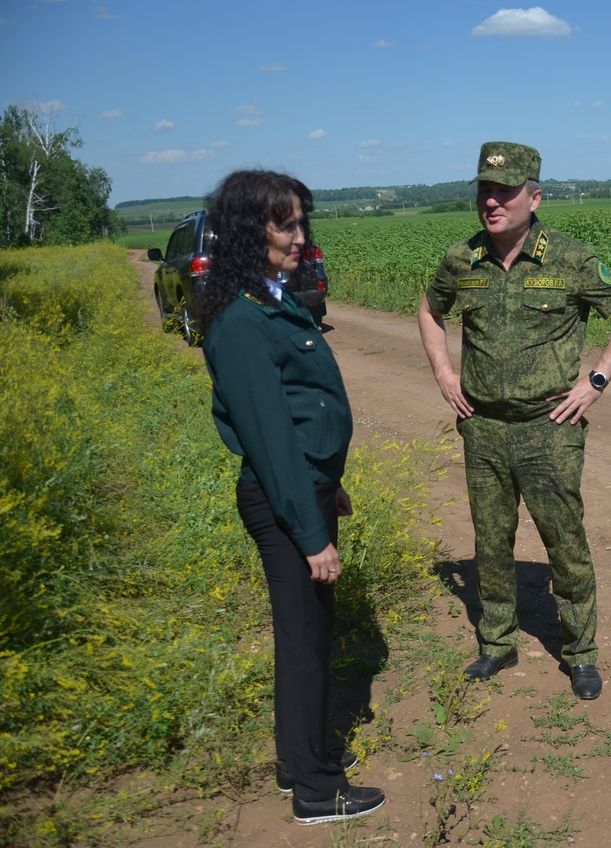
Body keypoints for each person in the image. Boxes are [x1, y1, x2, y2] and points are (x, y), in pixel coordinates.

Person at [419, 141, 611, 700]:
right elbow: (430, 310)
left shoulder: (569, 258)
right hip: (483, 426)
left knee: (563, 538)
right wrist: (446, 374)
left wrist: (594, 382)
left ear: (535, 196)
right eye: (484, 191)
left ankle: (581, 651)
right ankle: (496, 642)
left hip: (549, 426)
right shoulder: (461, 260)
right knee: (491, 539)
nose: (492, 202)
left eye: (505, 191)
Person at [199, 170, 385, 824]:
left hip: (303, 494)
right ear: (253, 232)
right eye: (287, 225)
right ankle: (314, 789)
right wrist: (310, 534)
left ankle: (294, 765)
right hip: (282, 504)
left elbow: (303, 417)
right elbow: (273, 438)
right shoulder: (242, 322)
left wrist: (329, 489)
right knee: (304, 643)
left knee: (307, 637)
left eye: (303, 223)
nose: (301, 238)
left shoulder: (269, 300)